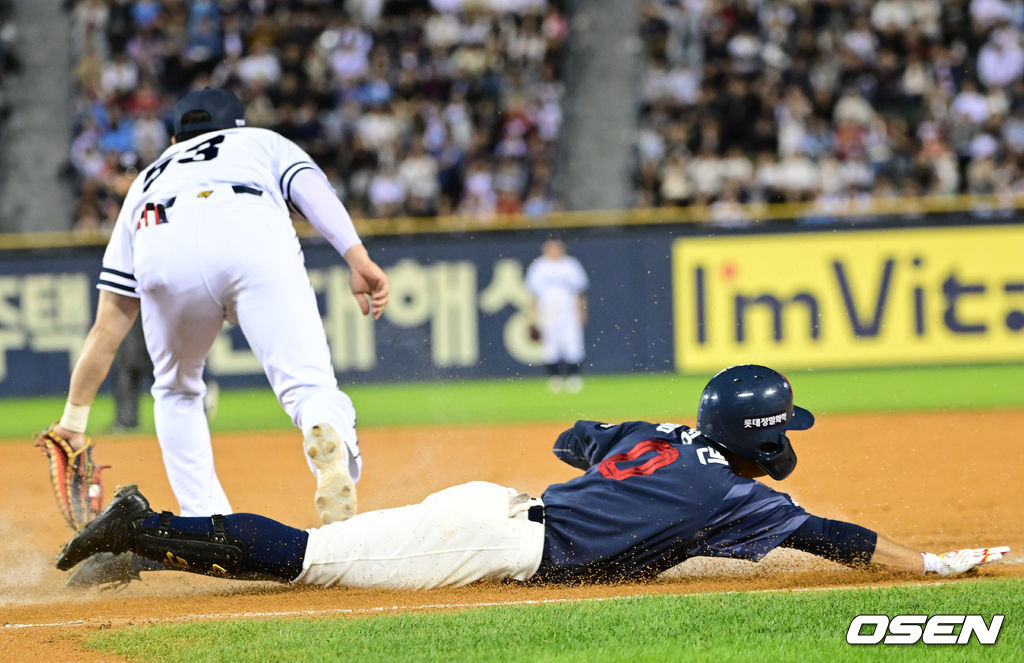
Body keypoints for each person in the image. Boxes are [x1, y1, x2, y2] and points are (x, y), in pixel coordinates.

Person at [55, 365, 1008, 590]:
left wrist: (630, 457)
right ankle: (147, 526)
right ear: (763, 439)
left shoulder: (663, 438)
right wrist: (935, 564)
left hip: (499, 508)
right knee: (311, 561)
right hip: (495, 538)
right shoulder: (740, 494)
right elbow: (834, 537)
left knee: (328, 556)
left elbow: (573, 436)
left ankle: (150, 533)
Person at [49, 88, 389, 585]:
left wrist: (73, 420)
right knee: (308, 385)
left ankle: (206, 520)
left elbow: (108, 325)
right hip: (250, 227)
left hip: (162, 237)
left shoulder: (148, 176)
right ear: (237, 124)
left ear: (173, 137)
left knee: (176, 389)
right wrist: (357, 258)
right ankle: (325, 431)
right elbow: (310, 189)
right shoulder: (257, 142)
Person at [525, 237, 589, 393]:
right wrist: (531, 316)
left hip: (569, 310)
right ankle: (554, 378)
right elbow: (533, 295)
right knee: (550, 345)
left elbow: (580, 292)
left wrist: (582, 311)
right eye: (550, 247)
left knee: (573, 342)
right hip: (547, 310)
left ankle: (574, 378)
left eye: (556, 247)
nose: (554, 250)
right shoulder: (539, 266)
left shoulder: (571, 265)